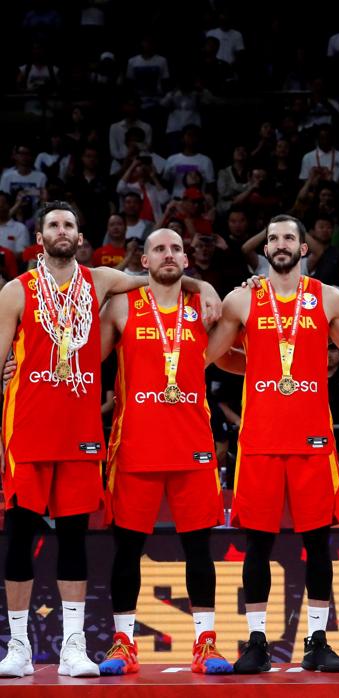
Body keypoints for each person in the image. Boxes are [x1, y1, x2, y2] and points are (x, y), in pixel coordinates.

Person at [0, 203, 219, 679]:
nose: (62, 231)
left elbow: (162, 276)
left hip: (80, 433)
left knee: (75, 539)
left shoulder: (99, 282)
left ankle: (72, 647)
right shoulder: (16, 291)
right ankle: (17, 646)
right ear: (39, 237)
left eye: (69, 225)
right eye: (54, 224)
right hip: (29, 430)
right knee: (19, 536)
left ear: (80, 237)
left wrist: (201, 283)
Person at [203, 214, 339, 674]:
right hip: (260, 439)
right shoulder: (242, 300)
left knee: (318, 542)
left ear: (304, 247)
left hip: (313, 439)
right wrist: (253, 366)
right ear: (264, 248)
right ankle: (256, 641)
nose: (282, 244)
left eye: (290, 237)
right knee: (258, 544)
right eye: (274, 238)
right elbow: (211, 356)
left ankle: (317, 639)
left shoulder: (328, 298)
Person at [94, 230, 233, 675]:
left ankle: (205, 643)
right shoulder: (120, 307)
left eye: (176, 248)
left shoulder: (207, 308)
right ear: (144, 259)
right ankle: (123, 643)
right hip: (135, 443)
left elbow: (236, 355)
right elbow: (83, 361)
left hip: (192, 444)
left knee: (199, 548)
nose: (168, 255)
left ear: (187, 259)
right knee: (127, 549)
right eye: (159, 249)